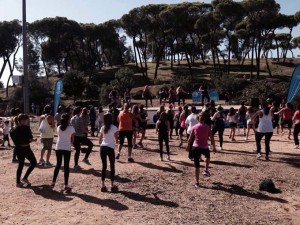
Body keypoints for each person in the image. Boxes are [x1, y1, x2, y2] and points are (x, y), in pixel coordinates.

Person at [186, 112, 216, 188]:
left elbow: (190, 138)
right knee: (207, 157)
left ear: (198, 119)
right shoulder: (208, 127)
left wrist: (188, 146)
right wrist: (213, 148)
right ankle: (206, 169)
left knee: (197, 166)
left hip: (195, 147)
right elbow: (212, 139)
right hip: (205, 147)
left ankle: (197, 182)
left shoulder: (194, 127)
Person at [51, 114, 75, 192]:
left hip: (58, 147)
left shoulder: (58, 127)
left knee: (58, 165)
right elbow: (72, 139)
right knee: (66, 166)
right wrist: (71, 143)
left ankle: (53, 182)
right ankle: (66, 185)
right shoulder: (71, 128)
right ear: (68, 120)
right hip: (66, 148)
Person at [14, 114, 37, 187]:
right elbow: (17, 142)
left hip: (27, 148)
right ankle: (18, 182)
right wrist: (29, 140)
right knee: (21, 165)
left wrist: (32, 140)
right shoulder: (16, 129)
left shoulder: (27, 128)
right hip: (20, 149)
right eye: (26, 120)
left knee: (33, 163)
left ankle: (24, 178)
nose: (27, 121)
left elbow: (29, 138)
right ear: (22, 121)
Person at [99, 113, 119, 192]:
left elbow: (100, 138)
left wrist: (101, 142)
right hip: (110, 147)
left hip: (103, 147)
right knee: (112, 166)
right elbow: (116, 138)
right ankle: (112, 184)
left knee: (104, 166)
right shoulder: (114, 127)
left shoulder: (103, 127)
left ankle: (103, 185)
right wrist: (116, 142)